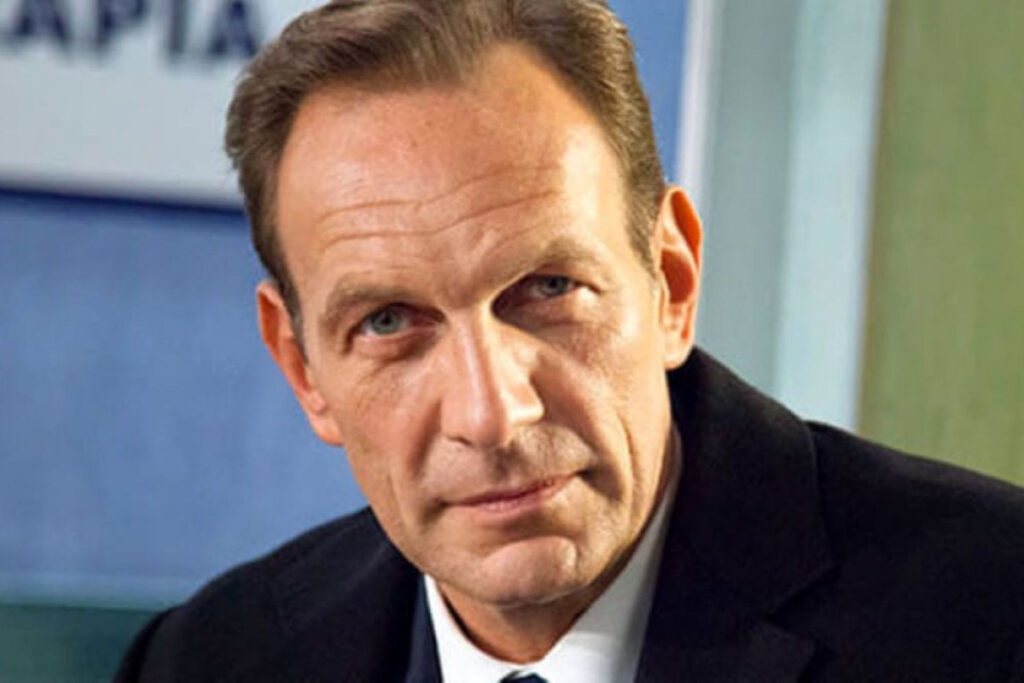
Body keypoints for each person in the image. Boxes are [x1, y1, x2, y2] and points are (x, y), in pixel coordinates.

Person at [116, 1, 1024, 681]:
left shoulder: (992, 615)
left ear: (671, 283)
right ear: (303, 367)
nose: (491, 414)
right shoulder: (207, 661)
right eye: (389, 322)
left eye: (548, 289)